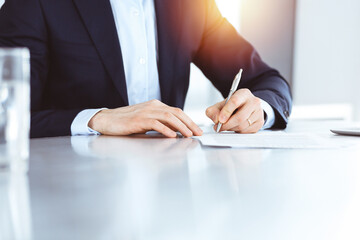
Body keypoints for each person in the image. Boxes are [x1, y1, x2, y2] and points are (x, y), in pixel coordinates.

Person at [0, 0, 292, 138]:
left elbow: (268, 81)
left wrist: (258, 109)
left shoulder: (191, 5)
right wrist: (95, 120)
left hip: (169, 197)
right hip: (65, 200)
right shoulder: (34, 3)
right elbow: (5, 114)